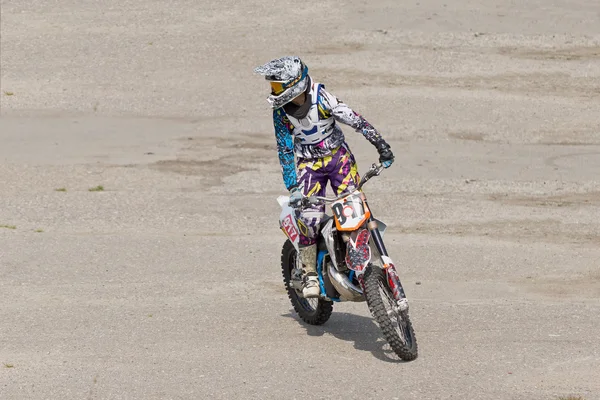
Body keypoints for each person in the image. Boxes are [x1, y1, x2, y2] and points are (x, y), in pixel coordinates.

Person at [254, 56, 395, 298]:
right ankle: (309, 273)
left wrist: (381, 145)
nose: (273, 91)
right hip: (309, 165)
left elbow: (355, 120)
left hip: (338, 158)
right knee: (308, 217)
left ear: (295, 84)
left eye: (277, 87)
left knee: (353, 207)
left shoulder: (321, 98)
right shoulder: (280, 113)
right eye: (273, 87)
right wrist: (293, 187)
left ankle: (355, 252)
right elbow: (285, 148)